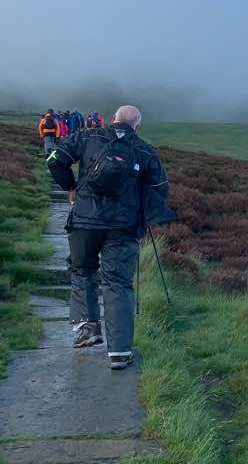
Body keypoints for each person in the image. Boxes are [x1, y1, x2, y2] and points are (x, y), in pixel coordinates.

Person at [47, 105, 175, 369]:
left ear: (113, 119)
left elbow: (54, 159)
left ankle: (87, 327)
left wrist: (70, 187)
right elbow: (160, 189)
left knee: (83, 271)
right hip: (124, 227)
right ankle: (119, 353)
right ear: (137, 126)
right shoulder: (144, 150)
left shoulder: (86, 137)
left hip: (84, 221)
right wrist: (144, 215)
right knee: (118, 282)